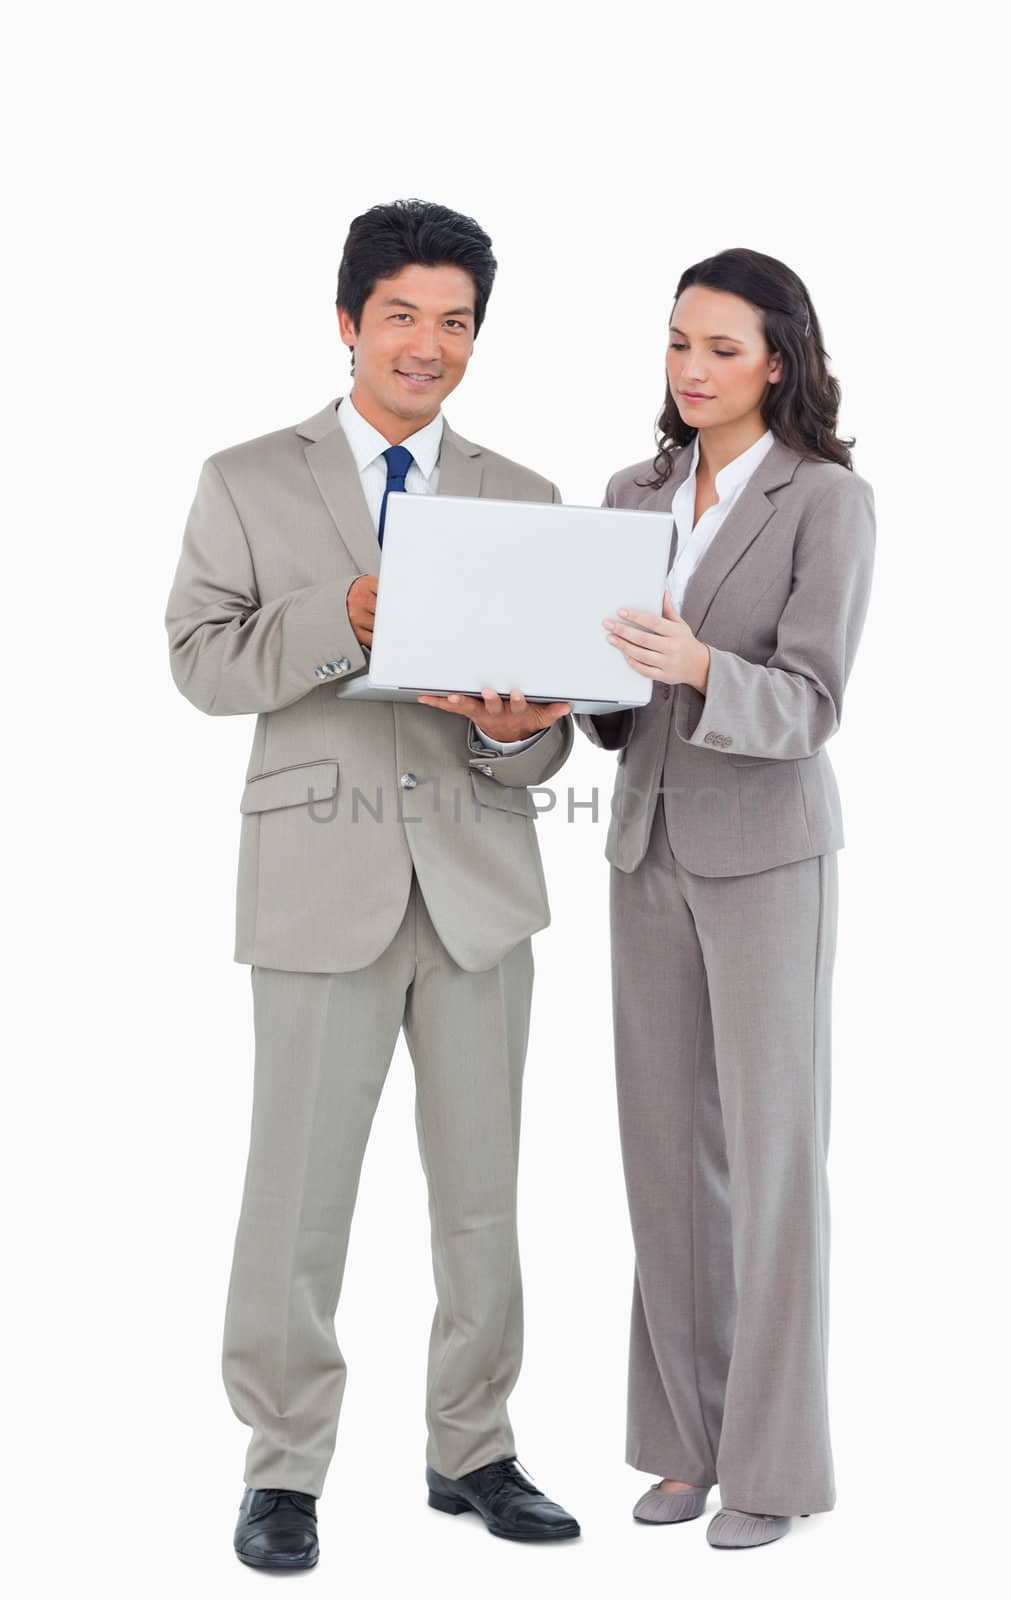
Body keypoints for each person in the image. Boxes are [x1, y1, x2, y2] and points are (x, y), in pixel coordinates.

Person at [165, 199, 580, 1571]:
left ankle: (475, 1446)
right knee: (295, 1195)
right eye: (403, 314)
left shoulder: (521, 496)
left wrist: (523, 730)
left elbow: (546, 735)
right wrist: (337, 616)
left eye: (455, 322)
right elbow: (201, 664)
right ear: (349, 322)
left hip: (476, 891)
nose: (429, 345)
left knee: (483, 1195)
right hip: (316, 882)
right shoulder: (246, 478)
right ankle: (283, 1465)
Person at [575, 247, 876, 1550]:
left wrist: (699, 663)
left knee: (773, 1162)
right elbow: (608, 691)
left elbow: (811, 705)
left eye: (721, 348)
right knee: (664, 1164)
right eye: (678, 343)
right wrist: (568, 687)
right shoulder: (630, 492)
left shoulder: (826, 502)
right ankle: (685, 1444)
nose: (691, 370)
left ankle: (774, 1467)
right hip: (644, 847)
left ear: (779, 362)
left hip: (765, 859)